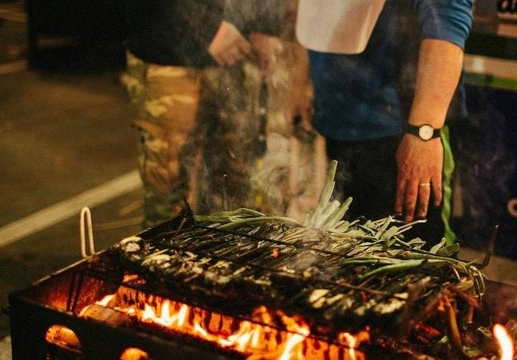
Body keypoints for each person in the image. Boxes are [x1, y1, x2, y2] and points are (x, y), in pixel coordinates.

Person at [302, 0, 473, 245]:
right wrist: (300, 79)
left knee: (418, 257)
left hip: (405, 129)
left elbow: (448, 17)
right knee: (350, 251)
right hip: (342, 123)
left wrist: (423, 132)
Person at [121, 0, 286, 227]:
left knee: (235, 192)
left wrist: (265, 25)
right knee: (169, 200)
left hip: (238, 54)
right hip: (170, 57)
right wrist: (209, 28)